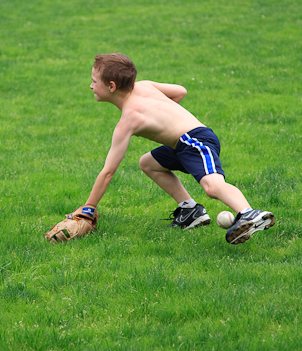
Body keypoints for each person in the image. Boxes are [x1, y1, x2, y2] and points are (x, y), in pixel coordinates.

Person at [71, 53, 274, 244]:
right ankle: (190, 211)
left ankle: (249, 213)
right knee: (148, 163)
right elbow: (180, 91)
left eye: (94, 81)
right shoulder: (144, 86)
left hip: (195, 141)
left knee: (212, 186)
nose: (91, 86)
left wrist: (89, 207)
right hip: (184, 143)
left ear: (112, 86)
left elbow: (108, 172)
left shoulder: (128, 121)